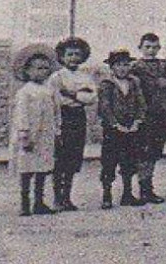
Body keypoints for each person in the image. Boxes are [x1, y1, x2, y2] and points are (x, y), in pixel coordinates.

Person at [46, 36, 98, 211]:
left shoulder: (86, 76)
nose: (73, 58)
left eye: (77, 54)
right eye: (69, 54)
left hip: (78, 117)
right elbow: (55, 99)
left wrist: (72, 94)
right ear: (62, 56)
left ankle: (67, 196)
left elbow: (90, 97)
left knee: (73, 158)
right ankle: (57, 197)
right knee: (60, 158)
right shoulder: (56, 77)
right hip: (62, 117)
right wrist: (76, 95)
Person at [9, 43, 59, 217]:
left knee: (42, 168)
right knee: (26, 168)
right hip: (29, 135)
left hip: (45, 135)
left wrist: (57, 128)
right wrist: (23, 133)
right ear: (28, 71)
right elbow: (21, 114)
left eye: (45, 68)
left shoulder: (48, 91)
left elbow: (55, 110)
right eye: (37, 68)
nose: (42, 72)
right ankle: (25, 203)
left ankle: (39, 201)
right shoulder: (25, 92)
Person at [97, 49, 146, 209]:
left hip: (131, 128)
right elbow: (104, 107)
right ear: (112, 67)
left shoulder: (134, 82)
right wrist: (114, 124)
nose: (123, 68)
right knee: (109, 162)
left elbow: (141, 103)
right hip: (113, 129)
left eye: (126, 65)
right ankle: (107, 194)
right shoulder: (107, 84)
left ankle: (127, 193)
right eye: (118, 65)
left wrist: (137, 121)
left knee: (129, 161)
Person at [128, 33, 166, 206]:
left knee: (155, 152)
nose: (151, 51)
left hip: (160, 113)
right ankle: (142, 188)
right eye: (147, 47)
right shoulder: (135, 67)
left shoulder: (163, 65)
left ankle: (149, 187)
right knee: (143, 152)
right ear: (140, 48)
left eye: (155, 47)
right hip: (144, 115)